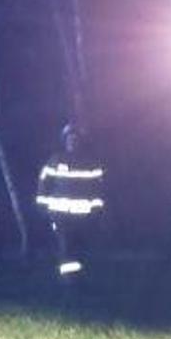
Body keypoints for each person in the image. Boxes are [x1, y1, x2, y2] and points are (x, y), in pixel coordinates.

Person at [34, 123, 105, 288]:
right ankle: (69, 284)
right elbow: (44, 185)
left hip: (83, 217)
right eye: (70, 138)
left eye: (76, 138)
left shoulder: (91, 163)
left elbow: (98, 190)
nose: (73, 142)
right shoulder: (55, 160)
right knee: (66, 247)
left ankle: (77, 280)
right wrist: (43, 207)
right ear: (64, 140)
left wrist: (97, 211)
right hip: (60, 215)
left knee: (79, 248)